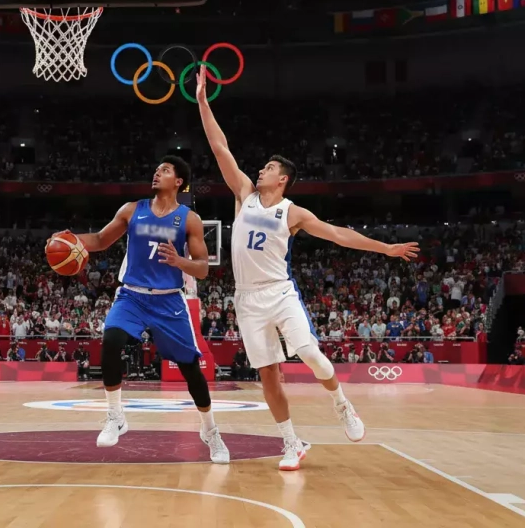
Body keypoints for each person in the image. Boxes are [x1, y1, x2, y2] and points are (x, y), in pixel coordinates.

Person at [197, 67, 419, 471]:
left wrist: (385, 248)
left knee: (311, 355)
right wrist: (202, 102)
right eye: (260, 167)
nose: (259, 170)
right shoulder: (243, 194)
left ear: (282, 180)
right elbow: (219, 147)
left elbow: (338, 234)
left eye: (267, 168)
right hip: (247, 299)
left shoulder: (292, 211)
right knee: (268, 377)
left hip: (279, 292)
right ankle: (291, 443)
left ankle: (341, 402)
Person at [48, 156, 230, 463]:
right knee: (111, 341)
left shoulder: (189, 219)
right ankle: (115, 416)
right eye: (157, 168)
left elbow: (202, 270)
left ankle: (210, 431)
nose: (157, 173)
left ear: (179, 182)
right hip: (131, 295)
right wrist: (71, 239)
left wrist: (179, 261)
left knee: (190, 370)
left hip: (169, 300)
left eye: (165, 170)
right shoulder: (132, 209)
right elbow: (102, 240)